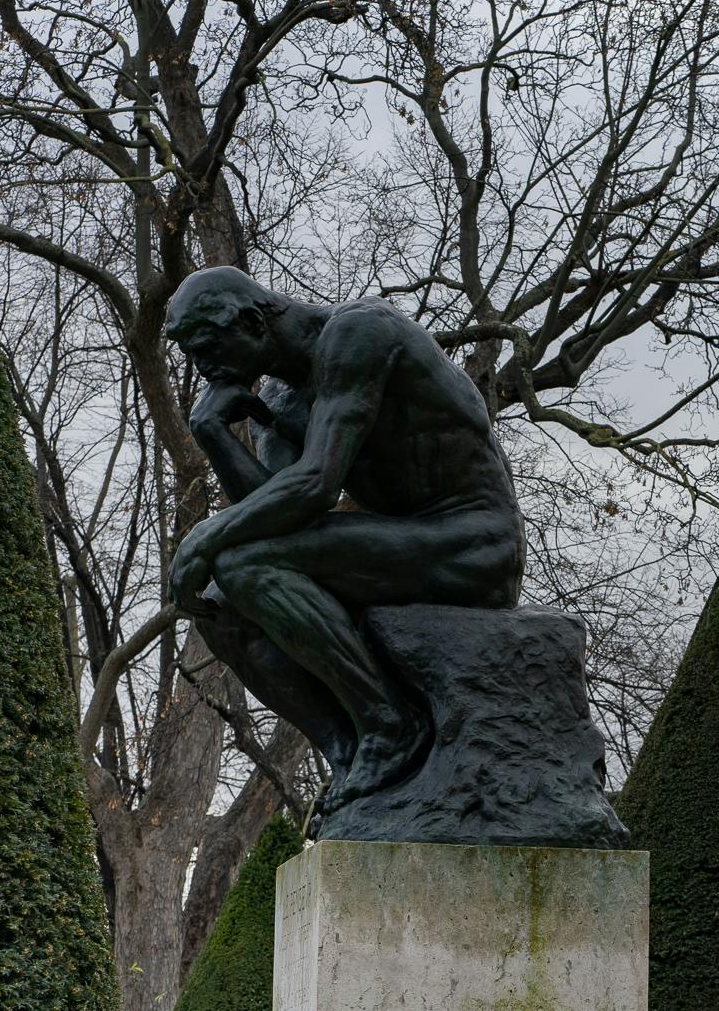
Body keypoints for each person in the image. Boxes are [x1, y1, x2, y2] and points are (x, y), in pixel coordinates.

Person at [161, 267, 525, 808]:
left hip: (473, 541)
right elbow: (279, 508)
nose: (205, 367)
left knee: (242, 565)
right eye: (193, 355)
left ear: (253, 321)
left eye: (209, 347)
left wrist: (203, 538)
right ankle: (347, 747)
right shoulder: (279, 400)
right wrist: (212, 434)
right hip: (402, 542)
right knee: (222, 605)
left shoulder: (358, 333)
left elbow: (315, 486)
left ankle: (391, 725)